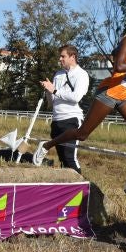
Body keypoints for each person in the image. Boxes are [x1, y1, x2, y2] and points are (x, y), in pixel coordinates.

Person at [33, 10, 126, 201]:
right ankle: (47, 145)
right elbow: (118, 66)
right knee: (82, 134)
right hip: (109, 94)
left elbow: (117, 55)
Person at [38, 45, 91, 173]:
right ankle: (67, 190)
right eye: (60, 56)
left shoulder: (82, 75)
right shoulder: (58, 74)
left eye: (63, 56)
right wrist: (48, 91)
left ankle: (82, 189)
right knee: (62, 159)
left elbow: (76, 97)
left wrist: (55, 90)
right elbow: (52, 102)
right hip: (56, 120)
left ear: (72, 57)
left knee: (70, 158)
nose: (60, 59)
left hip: (71, 120)